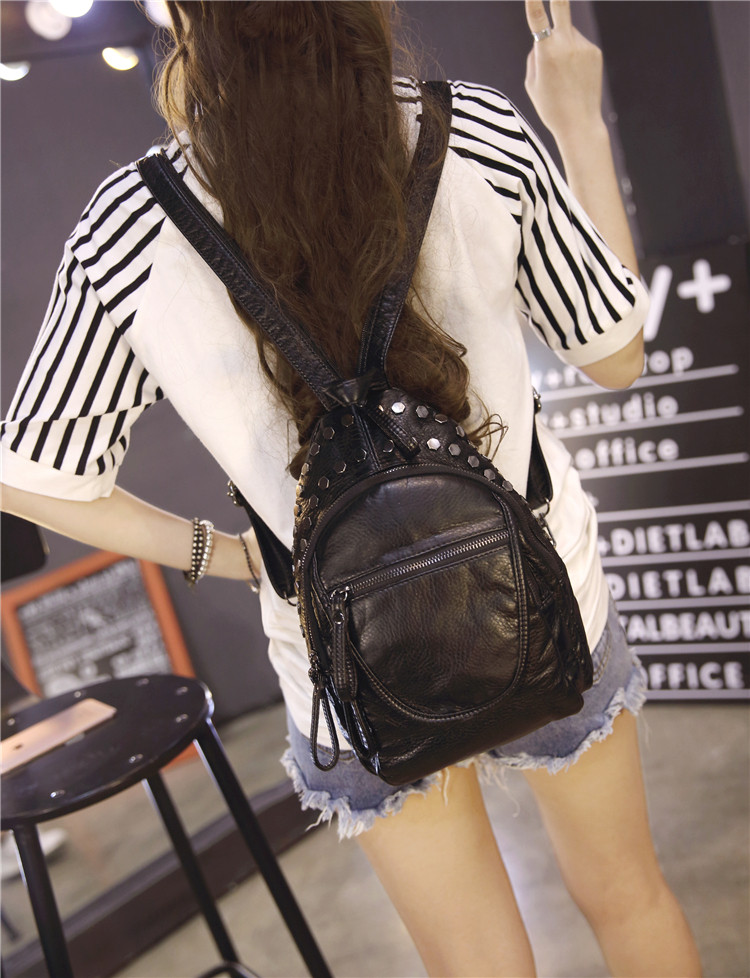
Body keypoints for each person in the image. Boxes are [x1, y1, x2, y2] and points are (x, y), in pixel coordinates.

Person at [1, 1, 702, 974]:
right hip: (543, 598)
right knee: (629, 901)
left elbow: (33, 477)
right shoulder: (473, 129)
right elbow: (616, 353)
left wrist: (232, 557)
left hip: (340, 661)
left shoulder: (129, 224)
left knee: (476, 965)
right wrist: (578, 117)